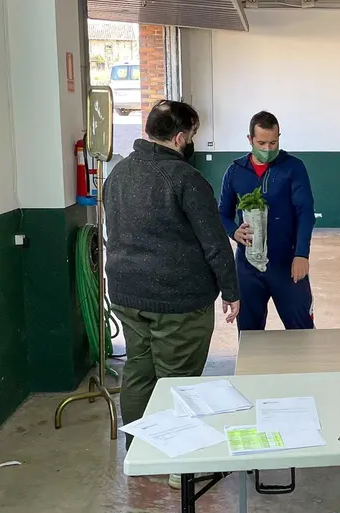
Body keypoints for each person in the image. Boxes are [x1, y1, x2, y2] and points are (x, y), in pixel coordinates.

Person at [104, 100, 240, 461]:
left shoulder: (117, 174)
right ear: (181, 137)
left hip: (126, 295)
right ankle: (177, 466)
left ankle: (139, 454)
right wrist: (231, 289)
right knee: (177, 382)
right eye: (193, 134)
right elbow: (214, 242)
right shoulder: (185, 179)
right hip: (178, 301)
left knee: (138, 370)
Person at [219, 111, 316, 331]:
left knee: (301, 330)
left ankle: (304, 366)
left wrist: (302, 253)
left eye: (273, 142)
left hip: (287, 264)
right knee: (249, 334)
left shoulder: (293, 168)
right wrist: (234, 231)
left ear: (279, 137)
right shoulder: (235, 171)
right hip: (248, 266)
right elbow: (222, 214)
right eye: (261, 143)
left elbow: (305, 212)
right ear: (250, 140)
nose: (268, 149)